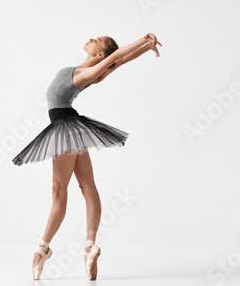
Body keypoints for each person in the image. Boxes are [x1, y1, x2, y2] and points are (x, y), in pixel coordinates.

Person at [11, 33, 162, 280]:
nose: (91, 39)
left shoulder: (86, 75)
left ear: (100, 54)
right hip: (73, 126)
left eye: (97, 41)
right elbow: (120, 61)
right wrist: (146, 46)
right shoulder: (89, 73)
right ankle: (90, 246)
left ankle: (42, 250)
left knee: (59, 192)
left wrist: (142, 41)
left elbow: (117, 56)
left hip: (64, 127)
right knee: (88, 186)